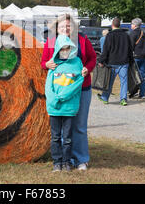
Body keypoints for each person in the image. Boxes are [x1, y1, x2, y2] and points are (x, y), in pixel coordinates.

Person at [41, 14, 96, 170]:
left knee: (79, 126)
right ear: (57, 28)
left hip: (82, 88)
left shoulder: (83, 40)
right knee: (64, 129)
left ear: (74, 26)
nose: (65, 29)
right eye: (62, 27)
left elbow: (92, 58)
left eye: (68, 26)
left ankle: (81, 160)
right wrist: (47, 64)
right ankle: (66, 159)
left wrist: (88, 68)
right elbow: (43, 62)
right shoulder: (51, 42)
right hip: (59, 91)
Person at [45, 35, 84, 172]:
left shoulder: (77, 63)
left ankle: (66, 162)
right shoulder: (53, 64)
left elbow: (78, 82)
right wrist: (54, 100)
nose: (65, 51)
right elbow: (48, 86)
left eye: (68, 48)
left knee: (67, 137)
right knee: (55, 137)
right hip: (54, 108)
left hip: (69, 107)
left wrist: (62, 96)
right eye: (62, 49)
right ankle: (57, 162)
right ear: (58, 49)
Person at [97, 18, 133, 106]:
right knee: (124, 81)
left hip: (112, 62)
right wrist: (131, 61)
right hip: (124, 62)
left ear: (112, 25)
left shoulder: (109, 35)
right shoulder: (126, 35)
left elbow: (106, 50)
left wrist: (101, 60)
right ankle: (123, 99)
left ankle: (105, 98)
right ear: (119, 25)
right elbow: (130, 50)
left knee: (109, 81)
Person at [129, 18, 145, 99]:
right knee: (143, 75)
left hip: (136, 57)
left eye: (131, 24)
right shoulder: (144, 33)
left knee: (133, 76)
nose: (131, 25)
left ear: (135, 25)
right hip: (144, 57)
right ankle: (142, 93)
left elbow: (130, 47)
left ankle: (133, 91)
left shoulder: (132, 34)